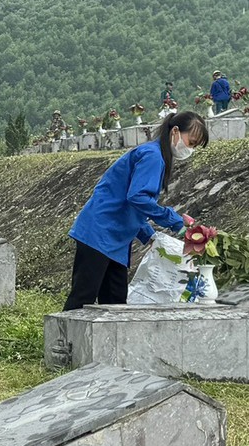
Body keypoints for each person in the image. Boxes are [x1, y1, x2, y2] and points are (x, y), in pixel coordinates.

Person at [63, 112, 210, 310]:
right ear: (175, 131)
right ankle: (64, 341)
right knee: (83, 298)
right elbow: (138, 197)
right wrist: (176, 223)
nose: (190, 149)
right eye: (191, 142)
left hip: (116, 238)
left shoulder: (156, 156)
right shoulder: (153, 156)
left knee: (115, 302)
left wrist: (149, 236)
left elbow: (133, 203)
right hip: (100, 231)